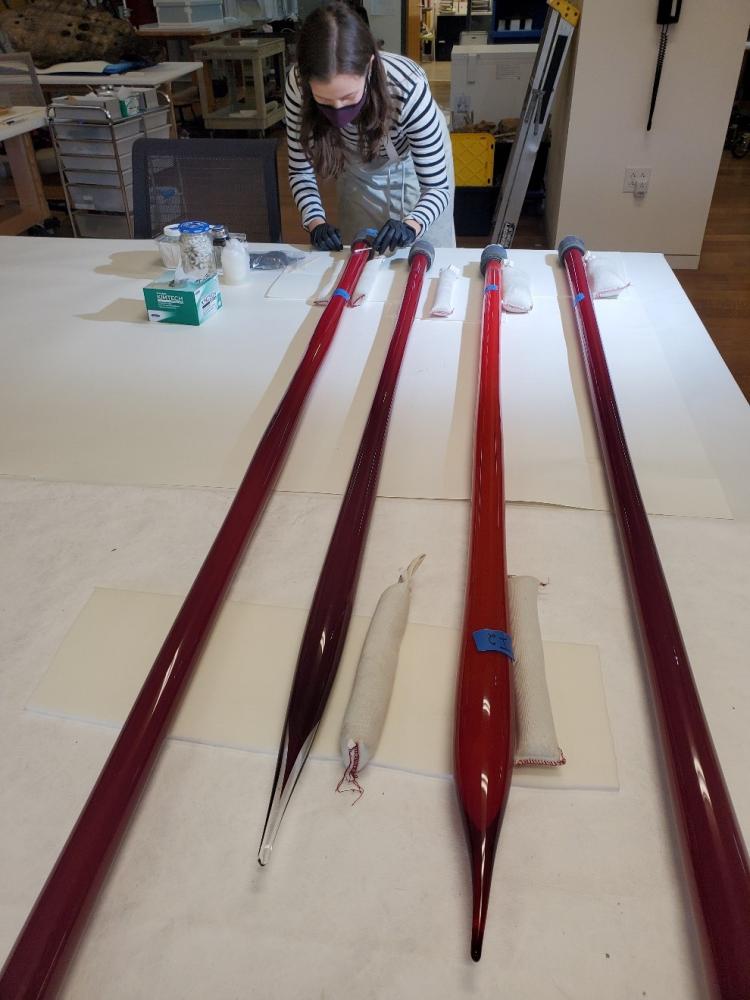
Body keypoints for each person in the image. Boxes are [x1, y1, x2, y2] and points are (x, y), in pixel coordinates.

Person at [285, 1, 455, 253]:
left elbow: (436, 187)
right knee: (362, 249)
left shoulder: (408, 87)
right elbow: (300, 171)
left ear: (369, 66)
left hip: (411, 162)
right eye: (324, 101)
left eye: (349, 98)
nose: (339, 113)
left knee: (425, 253)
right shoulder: (298, 88)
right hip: (356, 164)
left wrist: (411, 225)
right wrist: (315, 222)